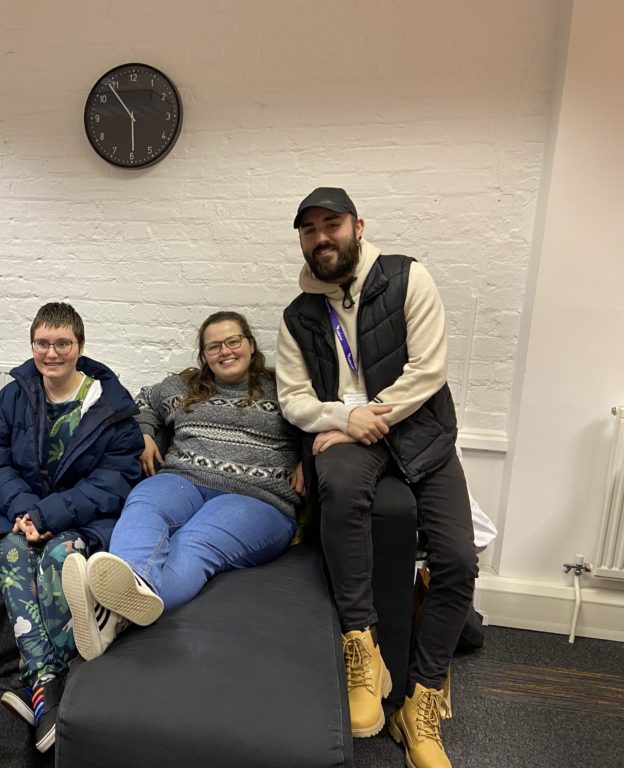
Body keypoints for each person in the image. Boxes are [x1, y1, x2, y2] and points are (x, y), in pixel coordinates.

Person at [276, 188, 477, 768]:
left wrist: (370, 417)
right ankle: (361, 645)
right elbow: (293, 398)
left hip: (419, 431)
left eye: (331, 224)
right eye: (309, 229)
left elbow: (428, 370)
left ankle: (421, 702)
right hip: (349, 433)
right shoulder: (298, 314)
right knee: (335, 487)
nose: (321, 237)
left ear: (358, 226)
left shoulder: (407, 277)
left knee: (459, 560)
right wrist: (343, 418)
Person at [64, 311, 302, 664]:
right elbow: (142, 400)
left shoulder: (286, 388)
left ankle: (109, 611)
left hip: (256, 497)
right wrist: (144, 432)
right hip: (183, 479)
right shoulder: (183, 386)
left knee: (194, 541)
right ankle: (120, 609)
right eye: (214, 347)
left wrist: (309, 460)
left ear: (251, 345)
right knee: (143, 499)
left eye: (233, 341)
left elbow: (321, 417)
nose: (225, 351)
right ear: (204, 355)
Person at [0, 302, 143, 754]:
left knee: (57, 558)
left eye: (62, 343)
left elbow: (115, 481)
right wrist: (28, 513)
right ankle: (49, 682)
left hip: (80, 521)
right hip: (19, 516)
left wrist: (50, 517)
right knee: (11, 552)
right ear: (32, 346)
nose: (52, 353)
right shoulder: (14, 395)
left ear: (80, 347)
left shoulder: (109, 406)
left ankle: (47, 683)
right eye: (43, 344)